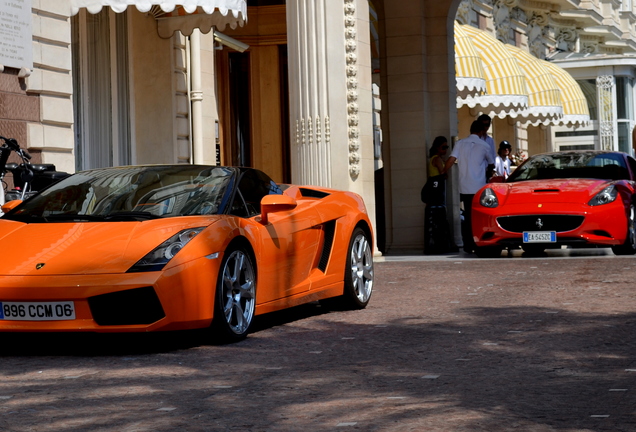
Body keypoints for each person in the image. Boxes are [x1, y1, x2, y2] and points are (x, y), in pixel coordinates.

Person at [444, 121, 495, 254]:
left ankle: (468, 244)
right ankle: (478, 242)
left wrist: (443, 171)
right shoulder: (484, 145)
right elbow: (491, 164)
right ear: (481, 132)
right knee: (478, 216)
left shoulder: (460, 143)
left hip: (464, 186)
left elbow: (451, 159)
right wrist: (488, 172)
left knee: (466, 215)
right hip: (479, 188)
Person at [423, 136, 454, 254]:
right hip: (437, 192)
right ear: (437, 147)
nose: (445, 150)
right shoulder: (437, 159)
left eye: (447, 147)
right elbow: (443, 172)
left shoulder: (434, 159)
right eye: (443, 147)